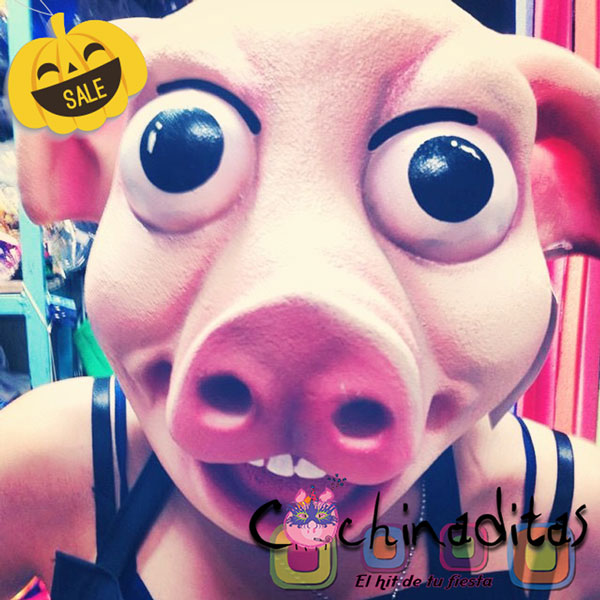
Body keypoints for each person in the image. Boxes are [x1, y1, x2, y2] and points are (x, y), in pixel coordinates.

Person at [2, 1, 600, 598]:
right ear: (87, 156)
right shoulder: (44, 466)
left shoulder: (570, 514)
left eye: (447, 182)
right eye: (180, 156)